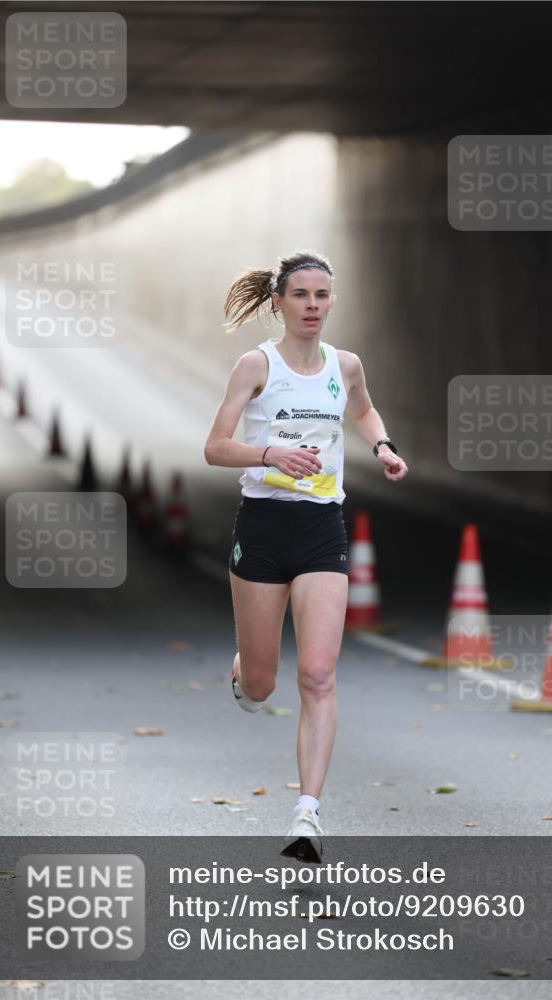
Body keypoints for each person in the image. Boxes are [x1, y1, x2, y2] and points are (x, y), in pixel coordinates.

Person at [203, 250, 408, 863]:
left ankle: (307, 813)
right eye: (301, 296)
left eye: (322, 295)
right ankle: (246, 665)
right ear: (278, 303)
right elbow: (215, 447)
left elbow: (364, 407)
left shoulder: (344, 366)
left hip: (322, 528)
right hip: (263, 528)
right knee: (264, 686)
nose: (313, 306)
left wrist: (383, 446)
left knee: (318, 674)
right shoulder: (254, 365)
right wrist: (269, 456)